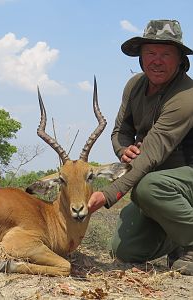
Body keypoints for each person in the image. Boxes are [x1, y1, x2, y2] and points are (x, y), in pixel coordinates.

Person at [88, 19, 193, 275]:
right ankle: (180, 238)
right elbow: (120, 132)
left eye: (166, 54)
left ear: (180, 59)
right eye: (150, 53)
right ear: (140, 57)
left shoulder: (186, 96)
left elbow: (151, 154)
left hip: (180, 179)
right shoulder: (135, 85)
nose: (157, 60)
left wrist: (108, 194)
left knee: (148, 187)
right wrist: (123, 150)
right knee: (124, 251)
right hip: (161, 182)